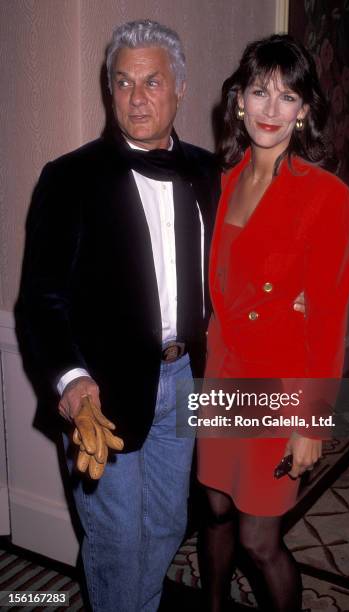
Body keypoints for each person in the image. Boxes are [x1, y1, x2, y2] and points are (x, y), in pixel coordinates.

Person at [15, 19, 221, 612]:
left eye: (152, 82)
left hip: (184, 382)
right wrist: (71, 380)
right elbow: (41, 300)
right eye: (123, 83)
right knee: (115, 538)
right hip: (100, 395)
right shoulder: (69, 179)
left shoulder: (210, 172)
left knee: (165, 525)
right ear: (110, 90)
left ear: (180, 88)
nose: (137, 98)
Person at [197, 34, 349, 611]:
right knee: (213, 509)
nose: (270, 109)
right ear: (238, 100)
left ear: (305, 110)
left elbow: (329, 319)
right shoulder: (216, 183)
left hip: (279, 385)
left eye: (287, 97)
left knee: (259, 539)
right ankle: (211, 604)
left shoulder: (326, 197)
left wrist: (311, 423)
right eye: (259, 92)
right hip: (221, 373)